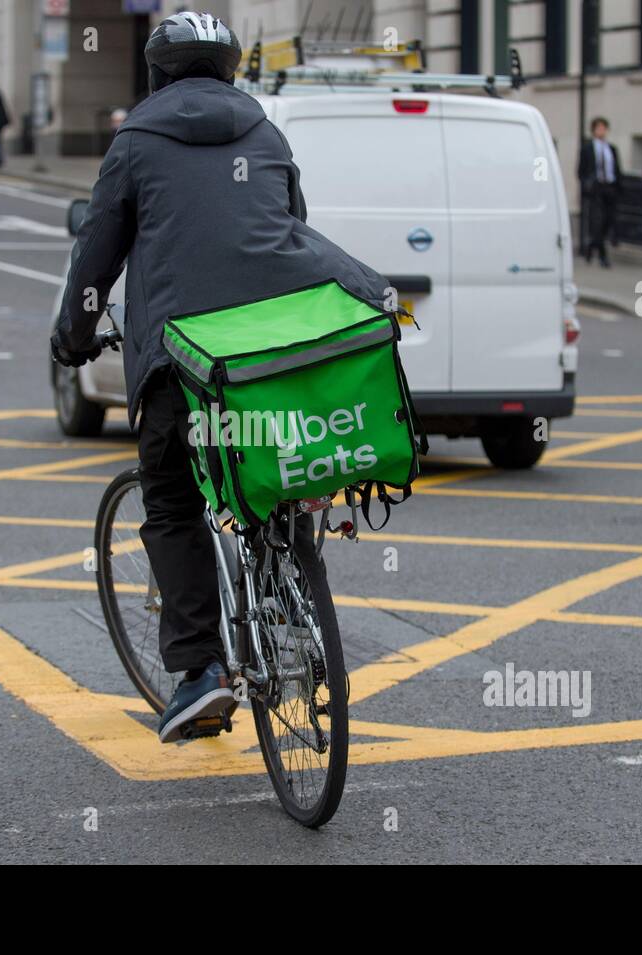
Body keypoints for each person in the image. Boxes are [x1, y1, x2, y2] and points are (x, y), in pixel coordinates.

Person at [50, 11, 389, 743]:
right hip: (272, 353)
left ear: (159, 73)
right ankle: (294, 619)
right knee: (280, 478)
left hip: (181, 360)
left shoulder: (136, 140)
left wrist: (73, 337)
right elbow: (290, 227)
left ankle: (201, 670)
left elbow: (96, 257)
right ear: (231, 69)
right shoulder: (265, 133)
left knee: (171, 500)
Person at [577, 116, 621, 267]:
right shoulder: (588, 148)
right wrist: (586, 185)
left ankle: (591, 246)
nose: (601, 131)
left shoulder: (611, 149)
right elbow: (581, 170)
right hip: (595, 188)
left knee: (608, 221)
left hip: (609, 187)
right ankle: (603, 257)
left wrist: (618, 187)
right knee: (597, 221)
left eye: (603, 128)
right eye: (598, 128)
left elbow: (617, 169)